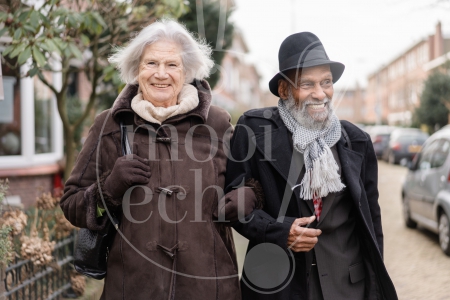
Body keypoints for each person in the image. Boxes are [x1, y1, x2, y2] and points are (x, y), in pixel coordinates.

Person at [60, 19, 241, 299]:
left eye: (172, 65)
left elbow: (242, 186)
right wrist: (108, 189)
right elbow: (71, 204)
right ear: (136, 69)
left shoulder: (216, 124)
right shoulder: (110, 124)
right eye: (151, 63)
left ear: (187, 71)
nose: (161, 74)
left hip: (208, 286)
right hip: (133, 287)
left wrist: (248, 194)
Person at [222, 32, 398, 299]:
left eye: (326, 82)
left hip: (348, 286)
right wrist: (279, 232)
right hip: (279, 286)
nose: (320, 93)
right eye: (307, 84)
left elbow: (372, 223)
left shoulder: (357, 141)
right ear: (284, 90)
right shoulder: (254, 131)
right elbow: (233, 206)